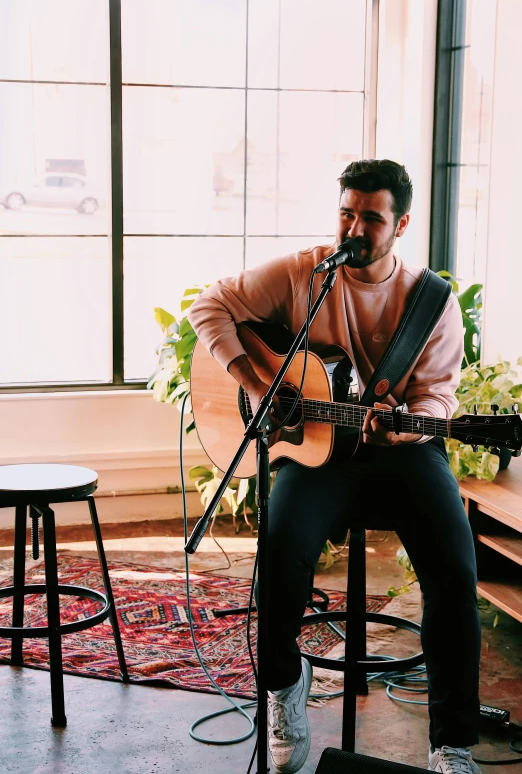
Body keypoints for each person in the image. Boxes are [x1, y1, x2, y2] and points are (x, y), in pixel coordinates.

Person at [189, 160, 482, 774]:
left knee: (455, 570)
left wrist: (406, 421)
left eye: (370, 217)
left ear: (400, 224)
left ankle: (451, 743)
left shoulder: (431, 301)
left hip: (404, 453)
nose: (354, 227)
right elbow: (209, 305)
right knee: (278, 554)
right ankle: (283, 689)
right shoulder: (305, 273)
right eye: (346, 212)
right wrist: (260, 383)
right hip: (319, 452)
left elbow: (439, 400)